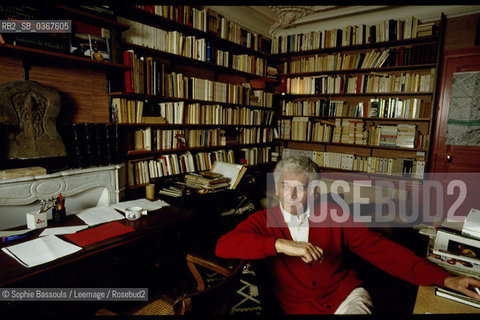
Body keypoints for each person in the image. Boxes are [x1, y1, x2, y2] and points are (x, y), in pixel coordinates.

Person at [215, 156, 480, 314]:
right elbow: (224, 246)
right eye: (285, 187)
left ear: (314, 192)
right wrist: (281, 245)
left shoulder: (332, 214)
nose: (292, 196)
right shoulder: (264, 221)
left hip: (346, 297)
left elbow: (385, 252)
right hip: (299, 308)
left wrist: (445, 278)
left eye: (300, 188)